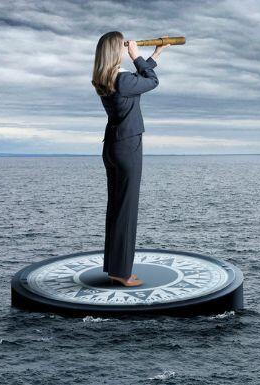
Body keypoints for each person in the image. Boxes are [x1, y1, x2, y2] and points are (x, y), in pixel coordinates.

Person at [91, 31, 170, 287]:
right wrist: (136, 56)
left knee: (115, 209)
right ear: (117, 51)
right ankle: (123, 274)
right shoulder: (123, 79)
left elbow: (140, 79)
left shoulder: (103, 79)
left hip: (112, 148)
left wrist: (155, 55)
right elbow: (151, 81)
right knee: (126, 211)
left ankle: (115, 268)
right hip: (128, 147)